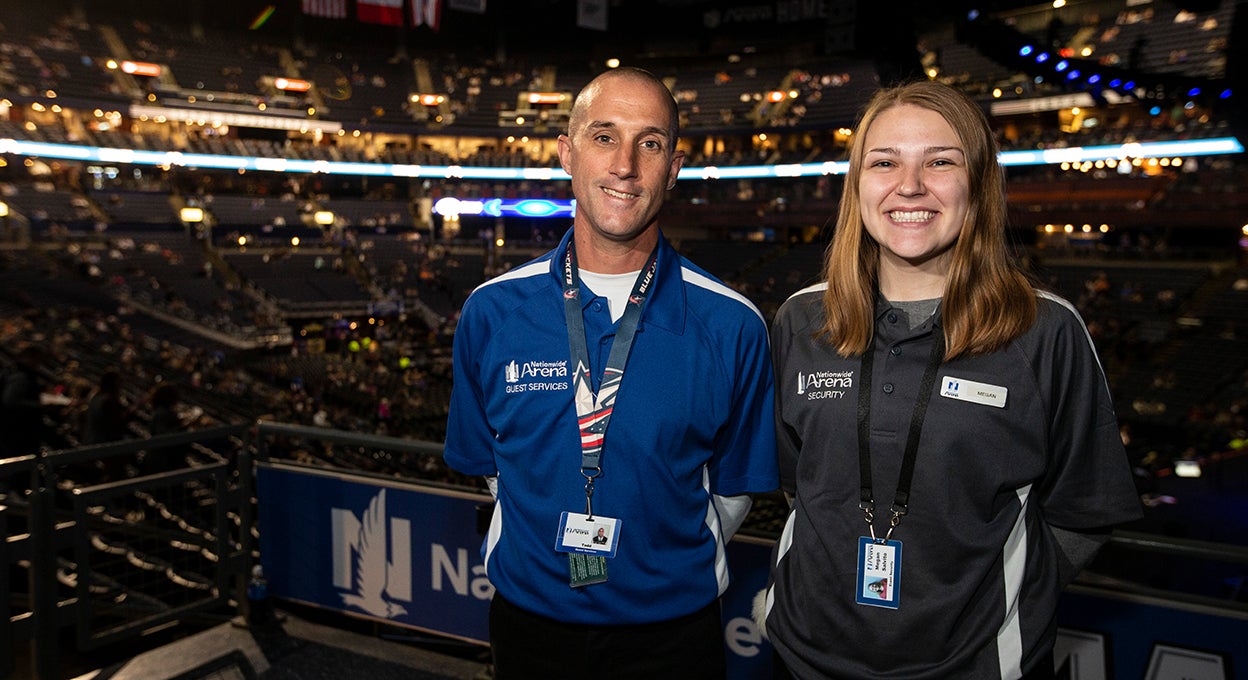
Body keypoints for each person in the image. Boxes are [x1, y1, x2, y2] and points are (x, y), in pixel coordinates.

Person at [763, 80, 1142, 680]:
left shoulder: (1045, 330)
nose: (909, 186)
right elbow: (798, 486)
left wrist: (990, 601)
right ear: (857, 185)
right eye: (884, 163)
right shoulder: (801, 319)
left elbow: (1084, 513)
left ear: (979, 184)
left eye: (940, 162)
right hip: (802, 659)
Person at [444, 66, 778, 679]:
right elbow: (494, 471)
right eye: (604, 137)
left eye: (649, 143)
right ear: (567, 153)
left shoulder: (735, 325)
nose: (625, 164)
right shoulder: (490, 312)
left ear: (673, 167)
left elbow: (733, 492)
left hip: (674, 635)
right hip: (528, 624)